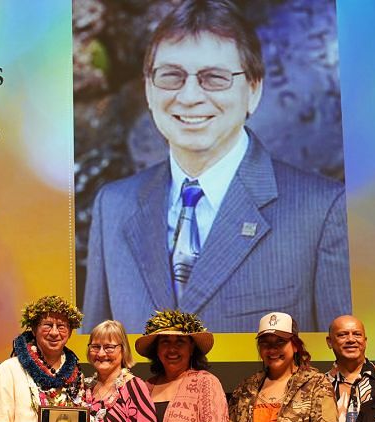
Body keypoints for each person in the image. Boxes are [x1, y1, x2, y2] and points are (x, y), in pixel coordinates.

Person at [81, 0, 350, 334]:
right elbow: (97, 352)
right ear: (148, 89)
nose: (189, 96)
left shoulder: (322, 210)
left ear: (254, 89)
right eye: (171, 76)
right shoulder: (112, 206)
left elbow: (342, 355)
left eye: (215, 78)